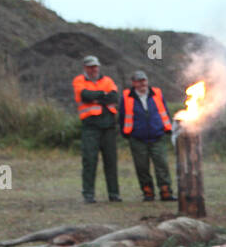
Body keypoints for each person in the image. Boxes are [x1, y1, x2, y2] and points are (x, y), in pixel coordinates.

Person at [73, 55, 120, 203]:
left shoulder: (108, 80)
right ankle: (88, 194)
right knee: (89, 161)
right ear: (85, 68)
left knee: (111, 161)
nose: (94, 69)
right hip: (90, 127)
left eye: (95, 66)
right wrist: (102, 95)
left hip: (108, 126)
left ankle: (114, 194)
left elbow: (114, 97)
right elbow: (84, 95)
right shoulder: (79, 80)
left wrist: (97, 97)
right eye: (90, 67)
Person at [121, 70, 174, 202]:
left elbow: (164, 112)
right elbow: (122, 116)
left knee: (162, 165)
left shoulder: (157, 93)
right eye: (139, 81)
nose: (142, 83)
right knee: (142, 167)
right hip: (137, 138)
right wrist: (126, 132)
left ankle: (166, 192)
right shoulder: (127, 96)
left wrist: (168, 128)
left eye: (144, 80)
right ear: (133, 83)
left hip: (157, 136)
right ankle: (147, 193)